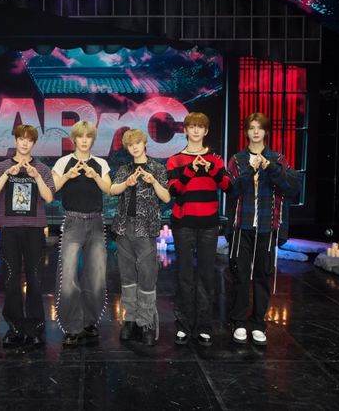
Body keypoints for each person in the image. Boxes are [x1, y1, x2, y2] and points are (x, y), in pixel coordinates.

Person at [226, 112, 300, 346]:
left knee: (262, 276)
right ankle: (239, 322)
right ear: (246, 131)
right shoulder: (237, 160)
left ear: (266, 131)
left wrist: (271, 168)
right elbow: (231, 191)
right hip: (242, 225)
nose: (255, 132)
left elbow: (291, 189)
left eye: (259, 128)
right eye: (251, 127)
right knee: (240, 275)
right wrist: (250, 170)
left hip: (267, 227)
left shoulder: (278, 159)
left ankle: (258, 323)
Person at [0, 124, 55, 347]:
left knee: (35, 279)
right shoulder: (1, 166)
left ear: (33, 143)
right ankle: (15, 327)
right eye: (21, 139)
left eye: (29, 140)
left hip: (34, 229)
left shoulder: (42, 168)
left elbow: (49, 197)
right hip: (9, 229)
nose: (25, 143)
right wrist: (8, 174)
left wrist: (36, 176)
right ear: (15, 140)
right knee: (11, 278)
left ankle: (34, 327)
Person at [166, 112, 231, 346]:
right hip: (183, 223)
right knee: (184, 276)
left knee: (206, 275)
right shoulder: (175, 160)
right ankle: (183, 325)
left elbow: (228, 186)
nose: (195, 130)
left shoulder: (215, 160)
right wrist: (190, 170)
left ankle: (204, 326)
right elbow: (173, 190)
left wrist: (211, 169)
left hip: (209, 224)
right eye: (191, 126)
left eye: (200, 127)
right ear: (185, 130)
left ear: (206, 131)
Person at [52, 120, 112, 346]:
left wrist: (94, 174)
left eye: (88, 137)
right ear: (74, 139)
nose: (84, 140)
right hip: (72, 221)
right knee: (68, 276)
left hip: (96, 222)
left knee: (96, 275)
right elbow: (53, 188)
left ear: (92, 140)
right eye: (80, 136)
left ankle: (90, 322)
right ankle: (72, 326)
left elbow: (108, 188)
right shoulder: (63, 162)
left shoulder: (100, 163)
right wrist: (68, 175)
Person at [110, 129, 170, 346]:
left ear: (145, 143)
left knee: (147, 276)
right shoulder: (124, 169)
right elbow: (113, 190)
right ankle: (130, 320)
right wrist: (127, 183)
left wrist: (153, 182)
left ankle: (146, 322)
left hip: (146, 229)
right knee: (127, 276)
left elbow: (166, 197)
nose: (134, 147)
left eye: (137, 143)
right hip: (124, 227)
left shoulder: (157, 168)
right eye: (130, 144)